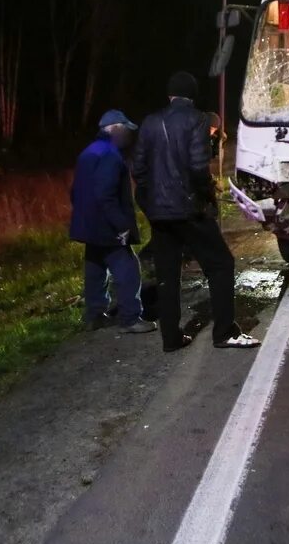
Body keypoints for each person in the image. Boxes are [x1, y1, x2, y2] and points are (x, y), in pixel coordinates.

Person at [134, 71, 260, 351]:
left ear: (170, 95)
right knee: (221, 265)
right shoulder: (198, 120)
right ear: (192, 95)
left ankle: (171, 338)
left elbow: (139, 170)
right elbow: (197, 168)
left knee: (167, 275)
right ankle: (224, 332)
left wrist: (150, 203)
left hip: (159, 213)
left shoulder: (150, 122)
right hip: (189, 210)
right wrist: (207, 197)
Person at [70, 110, 156, 333]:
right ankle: (130, 319)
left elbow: (75, 191)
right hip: (107, 226)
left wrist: (84, 216)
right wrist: (121, 224)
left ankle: (94, 316)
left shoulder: (88, 152)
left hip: (89, 226)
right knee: (128, 268)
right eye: (126, 130)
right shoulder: (110, 155)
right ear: (115, 128)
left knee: (95, 268)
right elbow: (105, 194)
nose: (129, 136)